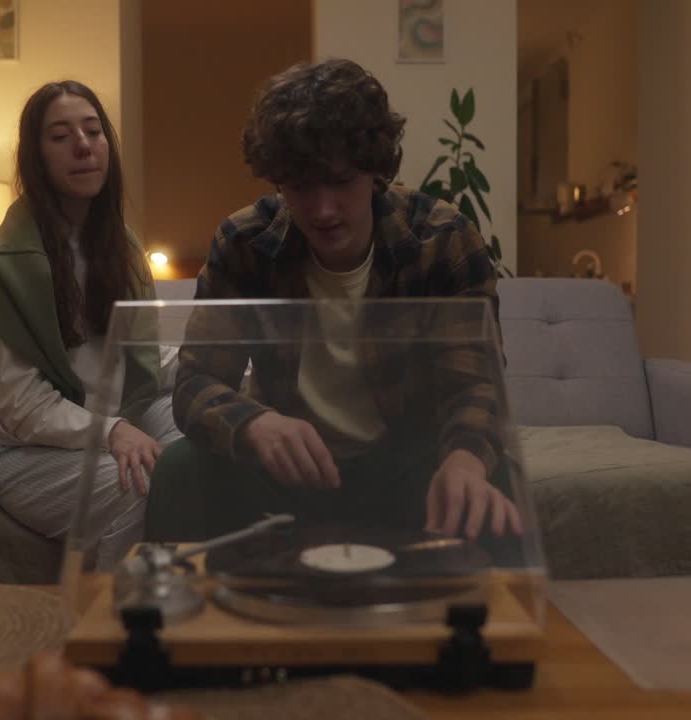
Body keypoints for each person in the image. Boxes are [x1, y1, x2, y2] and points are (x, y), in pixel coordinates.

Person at [145, 59, 521, 547]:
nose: (322, 210)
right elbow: (196, 384)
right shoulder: (244, 242)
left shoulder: (443, 238)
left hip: (404, 464)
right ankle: (173, 618)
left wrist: (465, 461)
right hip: (287, 470)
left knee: (489, 483)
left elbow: (477, 384)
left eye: (341, 182)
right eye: (301, 187)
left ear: (375, 169)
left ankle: (482, 622)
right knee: (179, 469)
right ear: (278, 180)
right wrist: (256, 424)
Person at [0, 80, 180, 571]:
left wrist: (222, 375)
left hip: (114, 418)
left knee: (204, 451)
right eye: (60, 136)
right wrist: (114, 431)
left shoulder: (120, 246)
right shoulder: (7, 265)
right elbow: (20, 407)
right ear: (36, 157)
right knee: (140, 489)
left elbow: (146, 359)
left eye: (93, 130)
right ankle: (112, 630)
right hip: (21, 450)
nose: (83, 144)